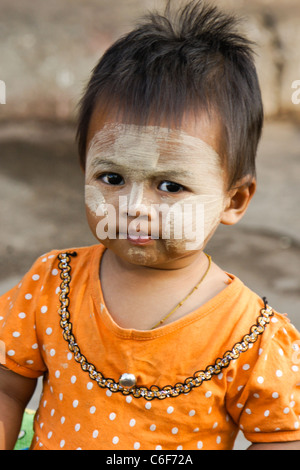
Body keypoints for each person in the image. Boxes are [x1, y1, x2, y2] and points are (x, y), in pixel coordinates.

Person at [0, 0, 299, 451]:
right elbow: (6, 389)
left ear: (233, 200)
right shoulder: (51, 287)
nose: (134, 207)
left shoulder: (249, 335)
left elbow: (280, 438)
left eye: (170, 186)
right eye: (112, 178)